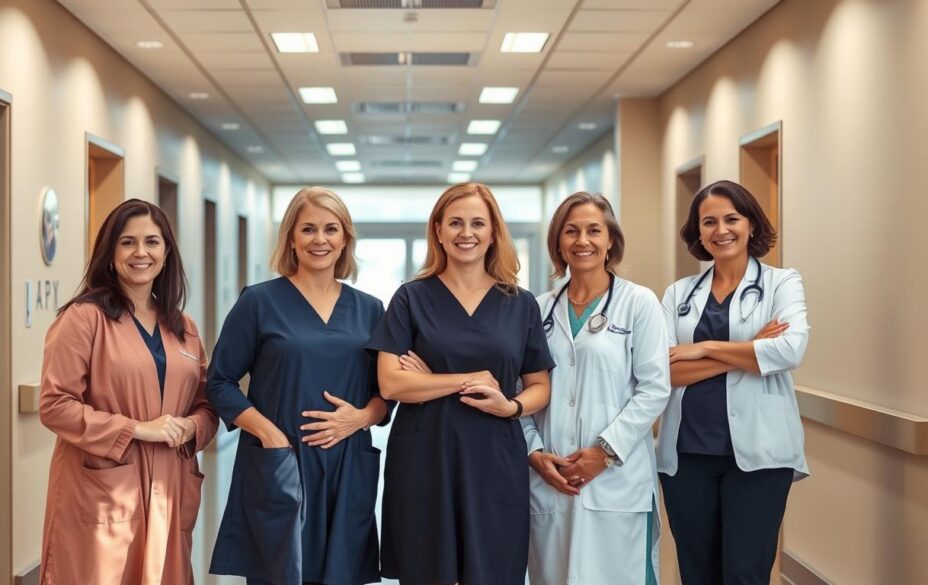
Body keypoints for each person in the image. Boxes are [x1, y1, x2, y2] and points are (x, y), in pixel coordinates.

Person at [368, 182, 554, 585]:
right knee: (428, 571)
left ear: (493, 232)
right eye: (455, 223)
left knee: (493, 571)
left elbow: (539, 384)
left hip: (494, 455)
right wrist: (467, 379)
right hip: (426, 456)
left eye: (477, 223)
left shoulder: (520, 303)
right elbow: (391, 384)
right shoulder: (411, 298)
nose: (465, 233)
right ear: (438, 231)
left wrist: (512, 406)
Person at [206, 187, 390, 585]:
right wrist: (269, 433)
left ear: (345, 238)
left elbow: (386, 394)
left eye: (330, 229)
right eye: (308, 229)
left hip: (346, 465)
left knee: (341, 574)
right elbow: (219, 381)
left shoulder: (371, 309)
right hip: (281, 461)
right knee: (280, 571)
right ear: (291, 237)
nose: (319, 239)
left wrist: (360, 418)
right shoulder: (259, 302)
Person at [39, 198, 217, 584]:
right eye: (128, 242)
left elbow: (206, 403)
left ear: (166, 254)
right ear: (110, 253)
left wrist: (191, 427)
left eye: (152, 242)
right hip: (104, 487)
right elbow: (55, 405)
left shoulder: (183, 326)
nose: (141, 253)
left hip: (169, 485)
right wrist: (136, 429)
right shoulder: (83, 319)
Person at [657, 180, 810, 585]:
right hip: (687, 456)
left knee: (745, 574)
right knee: (698, 574)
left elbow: (789, 350)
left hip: (760, 457)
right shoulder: (678, 294)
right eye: (709, 222)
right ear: (698, 231)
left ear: (751, 224)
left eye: (732, 219)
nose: (721, 230)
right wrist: (750, 348)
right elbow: (664, 371)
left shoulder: (781, 283)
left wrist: (703, 348)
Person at [522, 192, 669, 585]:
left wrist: (604, 452)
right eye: (571, 231)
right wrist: (533, 453)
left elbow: (654, 389)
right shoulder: (537, 309)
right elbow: (521, 392)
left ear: (610, 240)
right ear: (558, 243)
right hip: (551, 477)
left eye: (593, 230)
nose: (582, 240)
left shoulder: (639, 303)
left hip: (616, 481)